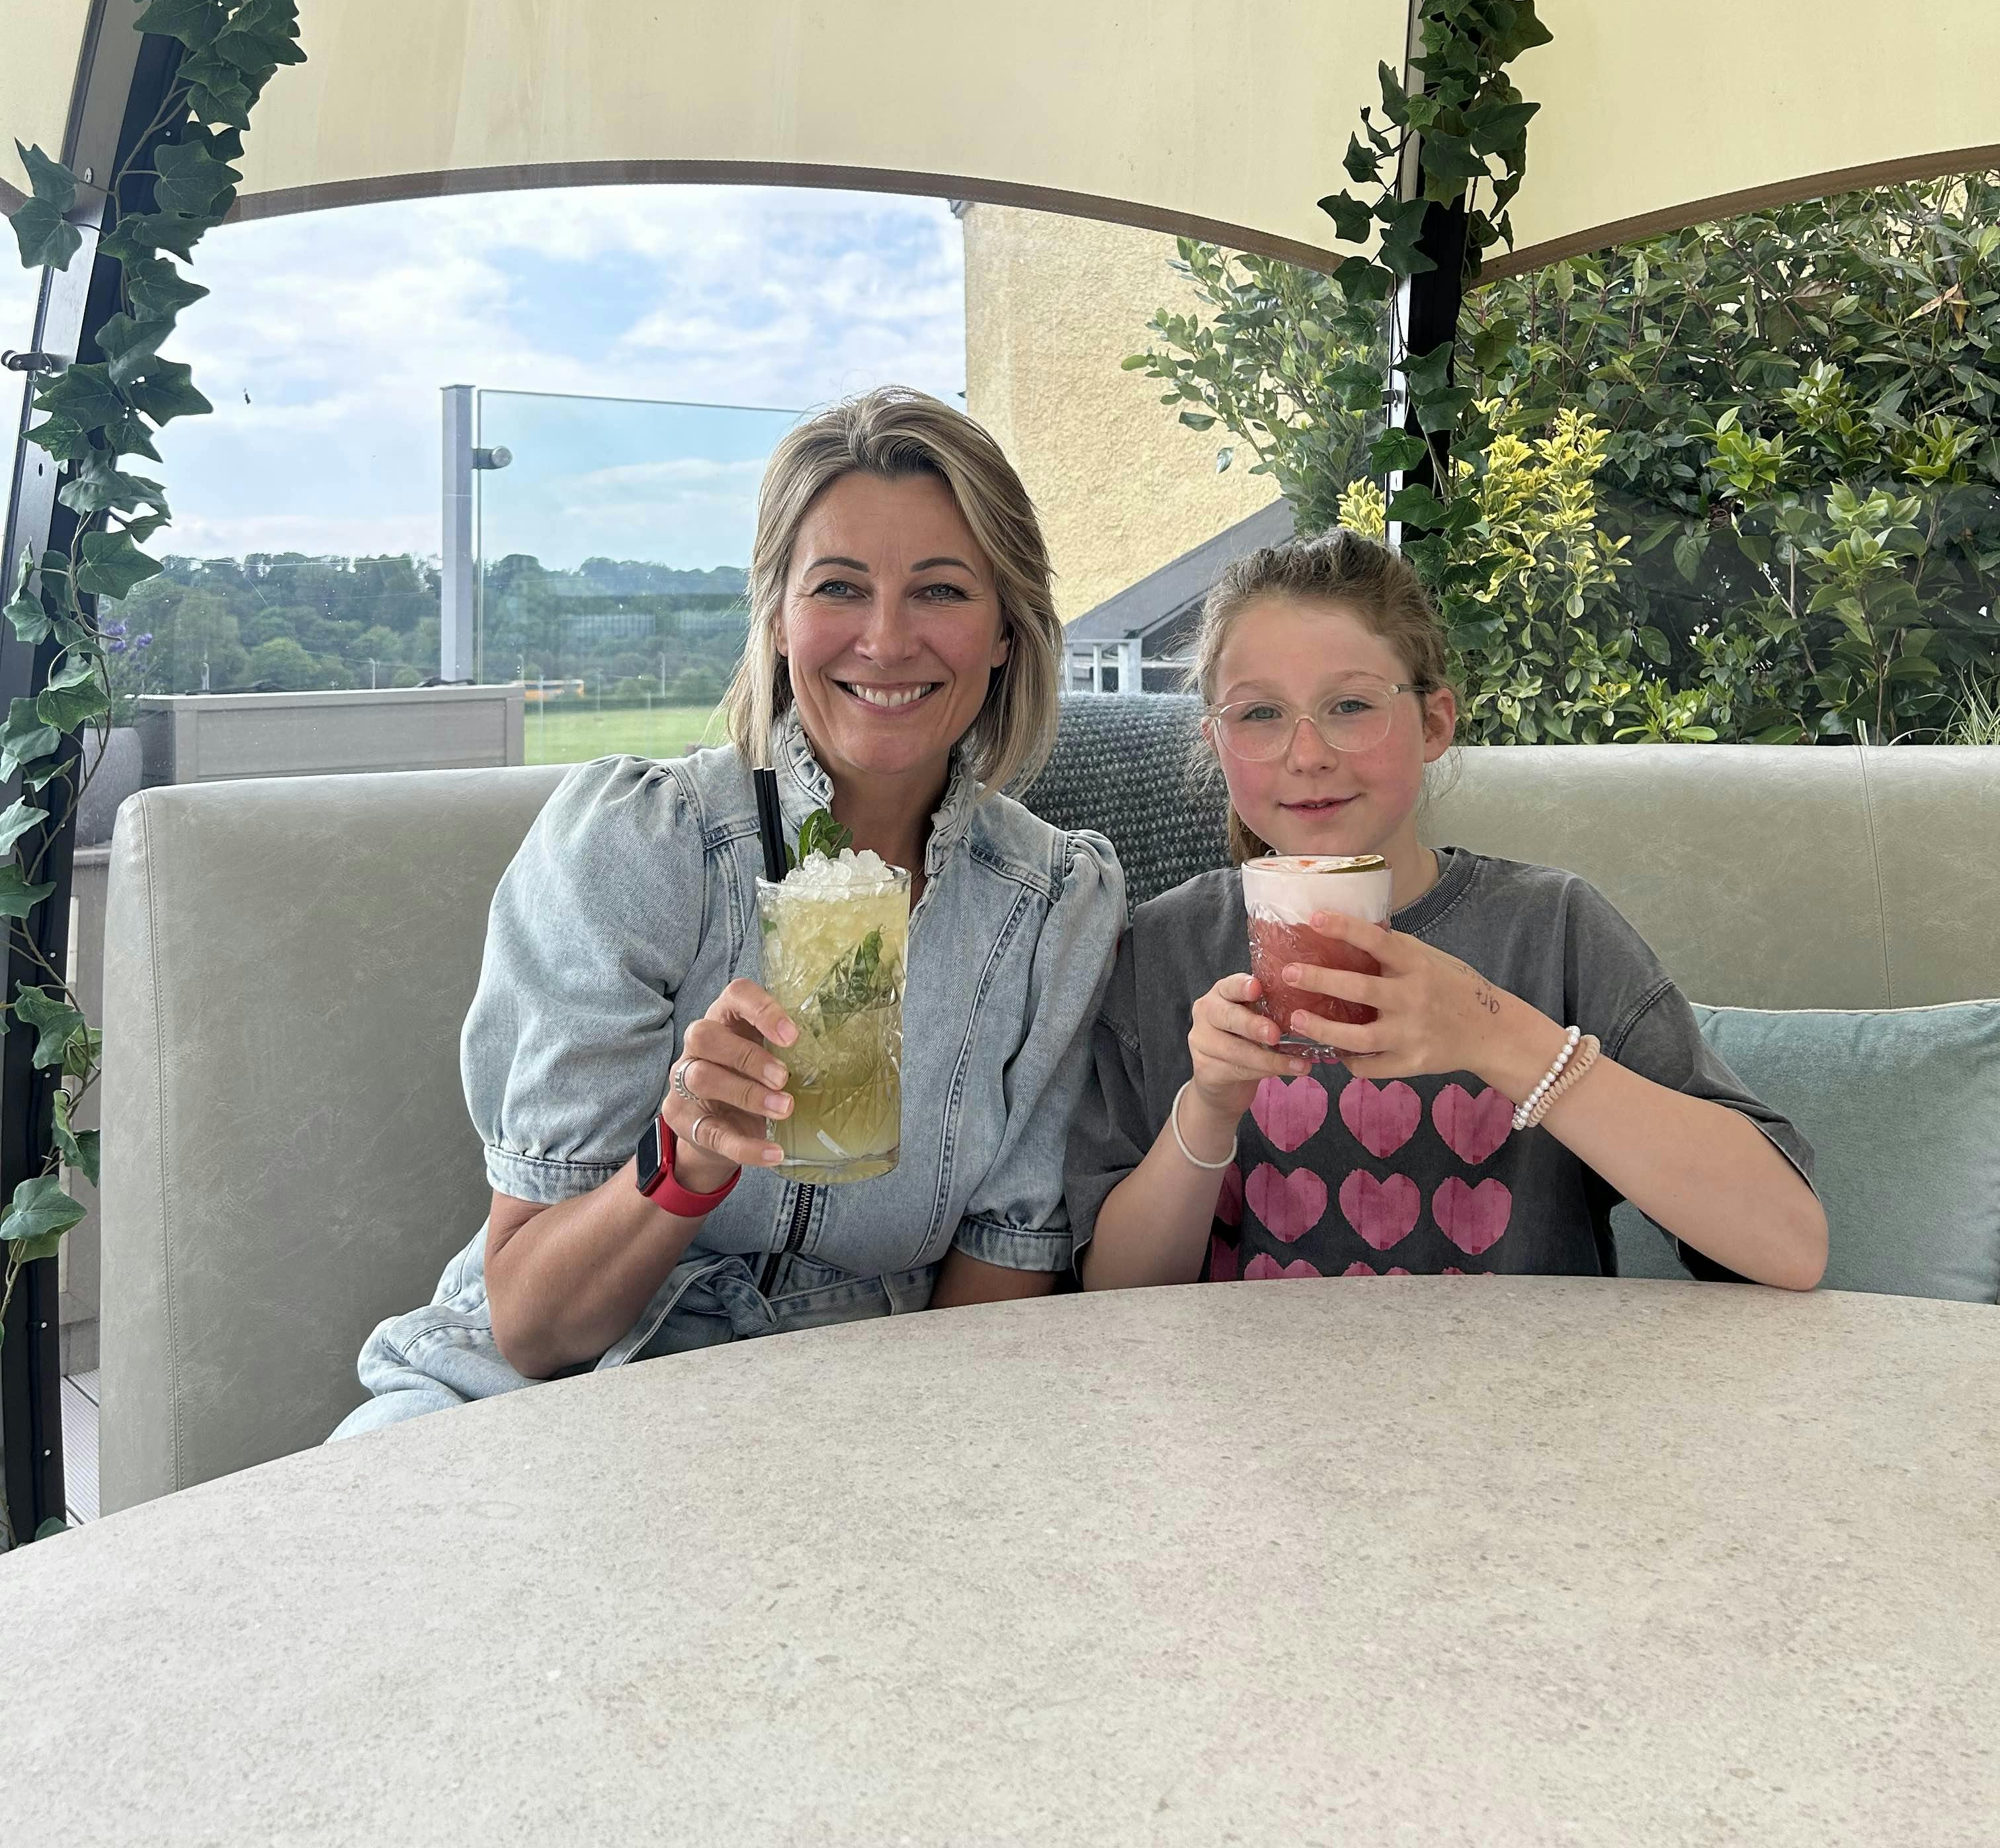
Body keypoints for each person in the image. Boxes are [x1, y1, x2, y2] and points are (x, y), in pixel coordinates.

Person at [331, 387, 1122, 1439]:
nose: (886, 642)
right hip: (548, 1395)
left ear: (1005, 636)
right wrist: (686, 1159)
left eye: (939, 591)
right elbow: (532, 1325)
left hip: (854, 1394)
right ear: (782, 620)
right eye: (840, 587)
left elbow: (999, 1281)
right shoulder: (643, 845)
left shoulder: (1052, 906)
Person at [1068, 530, 1827, 1292]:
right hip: (1249, 1404)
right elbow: (1112, 1304)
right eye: (1260, 714)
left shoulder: (1552, 930)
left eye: (1351, 704)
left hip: (1524, 1402)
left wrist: (1496, 1032)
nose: (1306, 755)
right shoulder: (1162, 950)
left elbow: (1788, 1246)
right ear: (1217, 740)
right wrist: (1206, 1108)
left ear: (1434, 723)